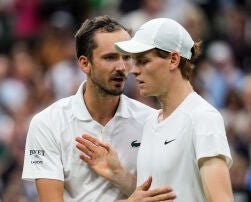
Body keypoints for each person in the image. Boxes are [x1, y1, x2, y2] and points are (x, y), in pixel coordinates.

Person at [75, 18, 234, 202]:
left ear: (173, 60)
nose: (133, 70)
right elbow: (155, 194)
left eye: (143, 61)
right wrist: (118, 174)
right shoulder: (151, 121)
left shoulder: (203, 117)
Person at [21, 15, 176, 201]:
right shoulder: (47, 123)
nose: (121, 67)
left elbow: (167, 198)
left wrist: (120, 175)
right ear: (85, 64)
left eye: (127, 58)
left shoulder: (154, 121)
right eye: (110, 58)